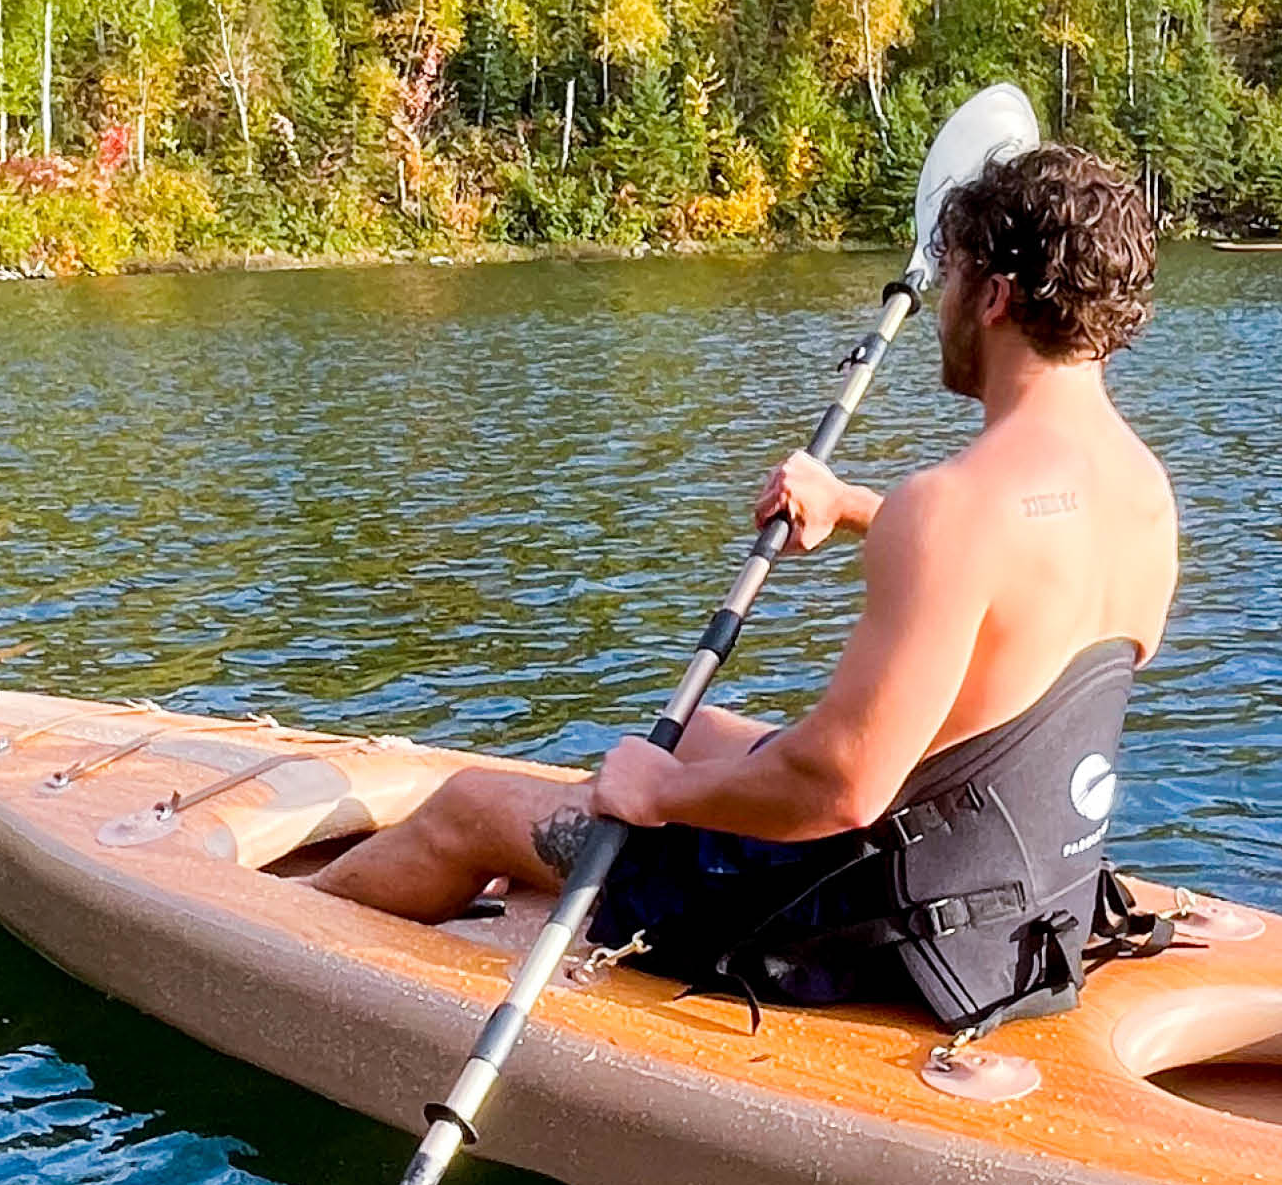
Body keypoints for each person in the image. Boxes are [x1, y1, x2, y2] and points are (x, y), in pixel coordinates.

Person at [316, 144, 1181, 1033]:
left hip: (867, 927)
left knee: (473, 807)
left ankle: (289, 917)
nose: (942, 308)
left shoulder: (953, 508)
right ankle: (599, 848)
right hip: (1021, 899)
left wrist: (658, 798)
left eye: (953, 276)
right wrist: (849, 507)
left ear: (995, 297)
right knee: (704, 733)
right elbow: (1015, 580)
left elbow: (840, 789)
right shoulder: (1139, 489)